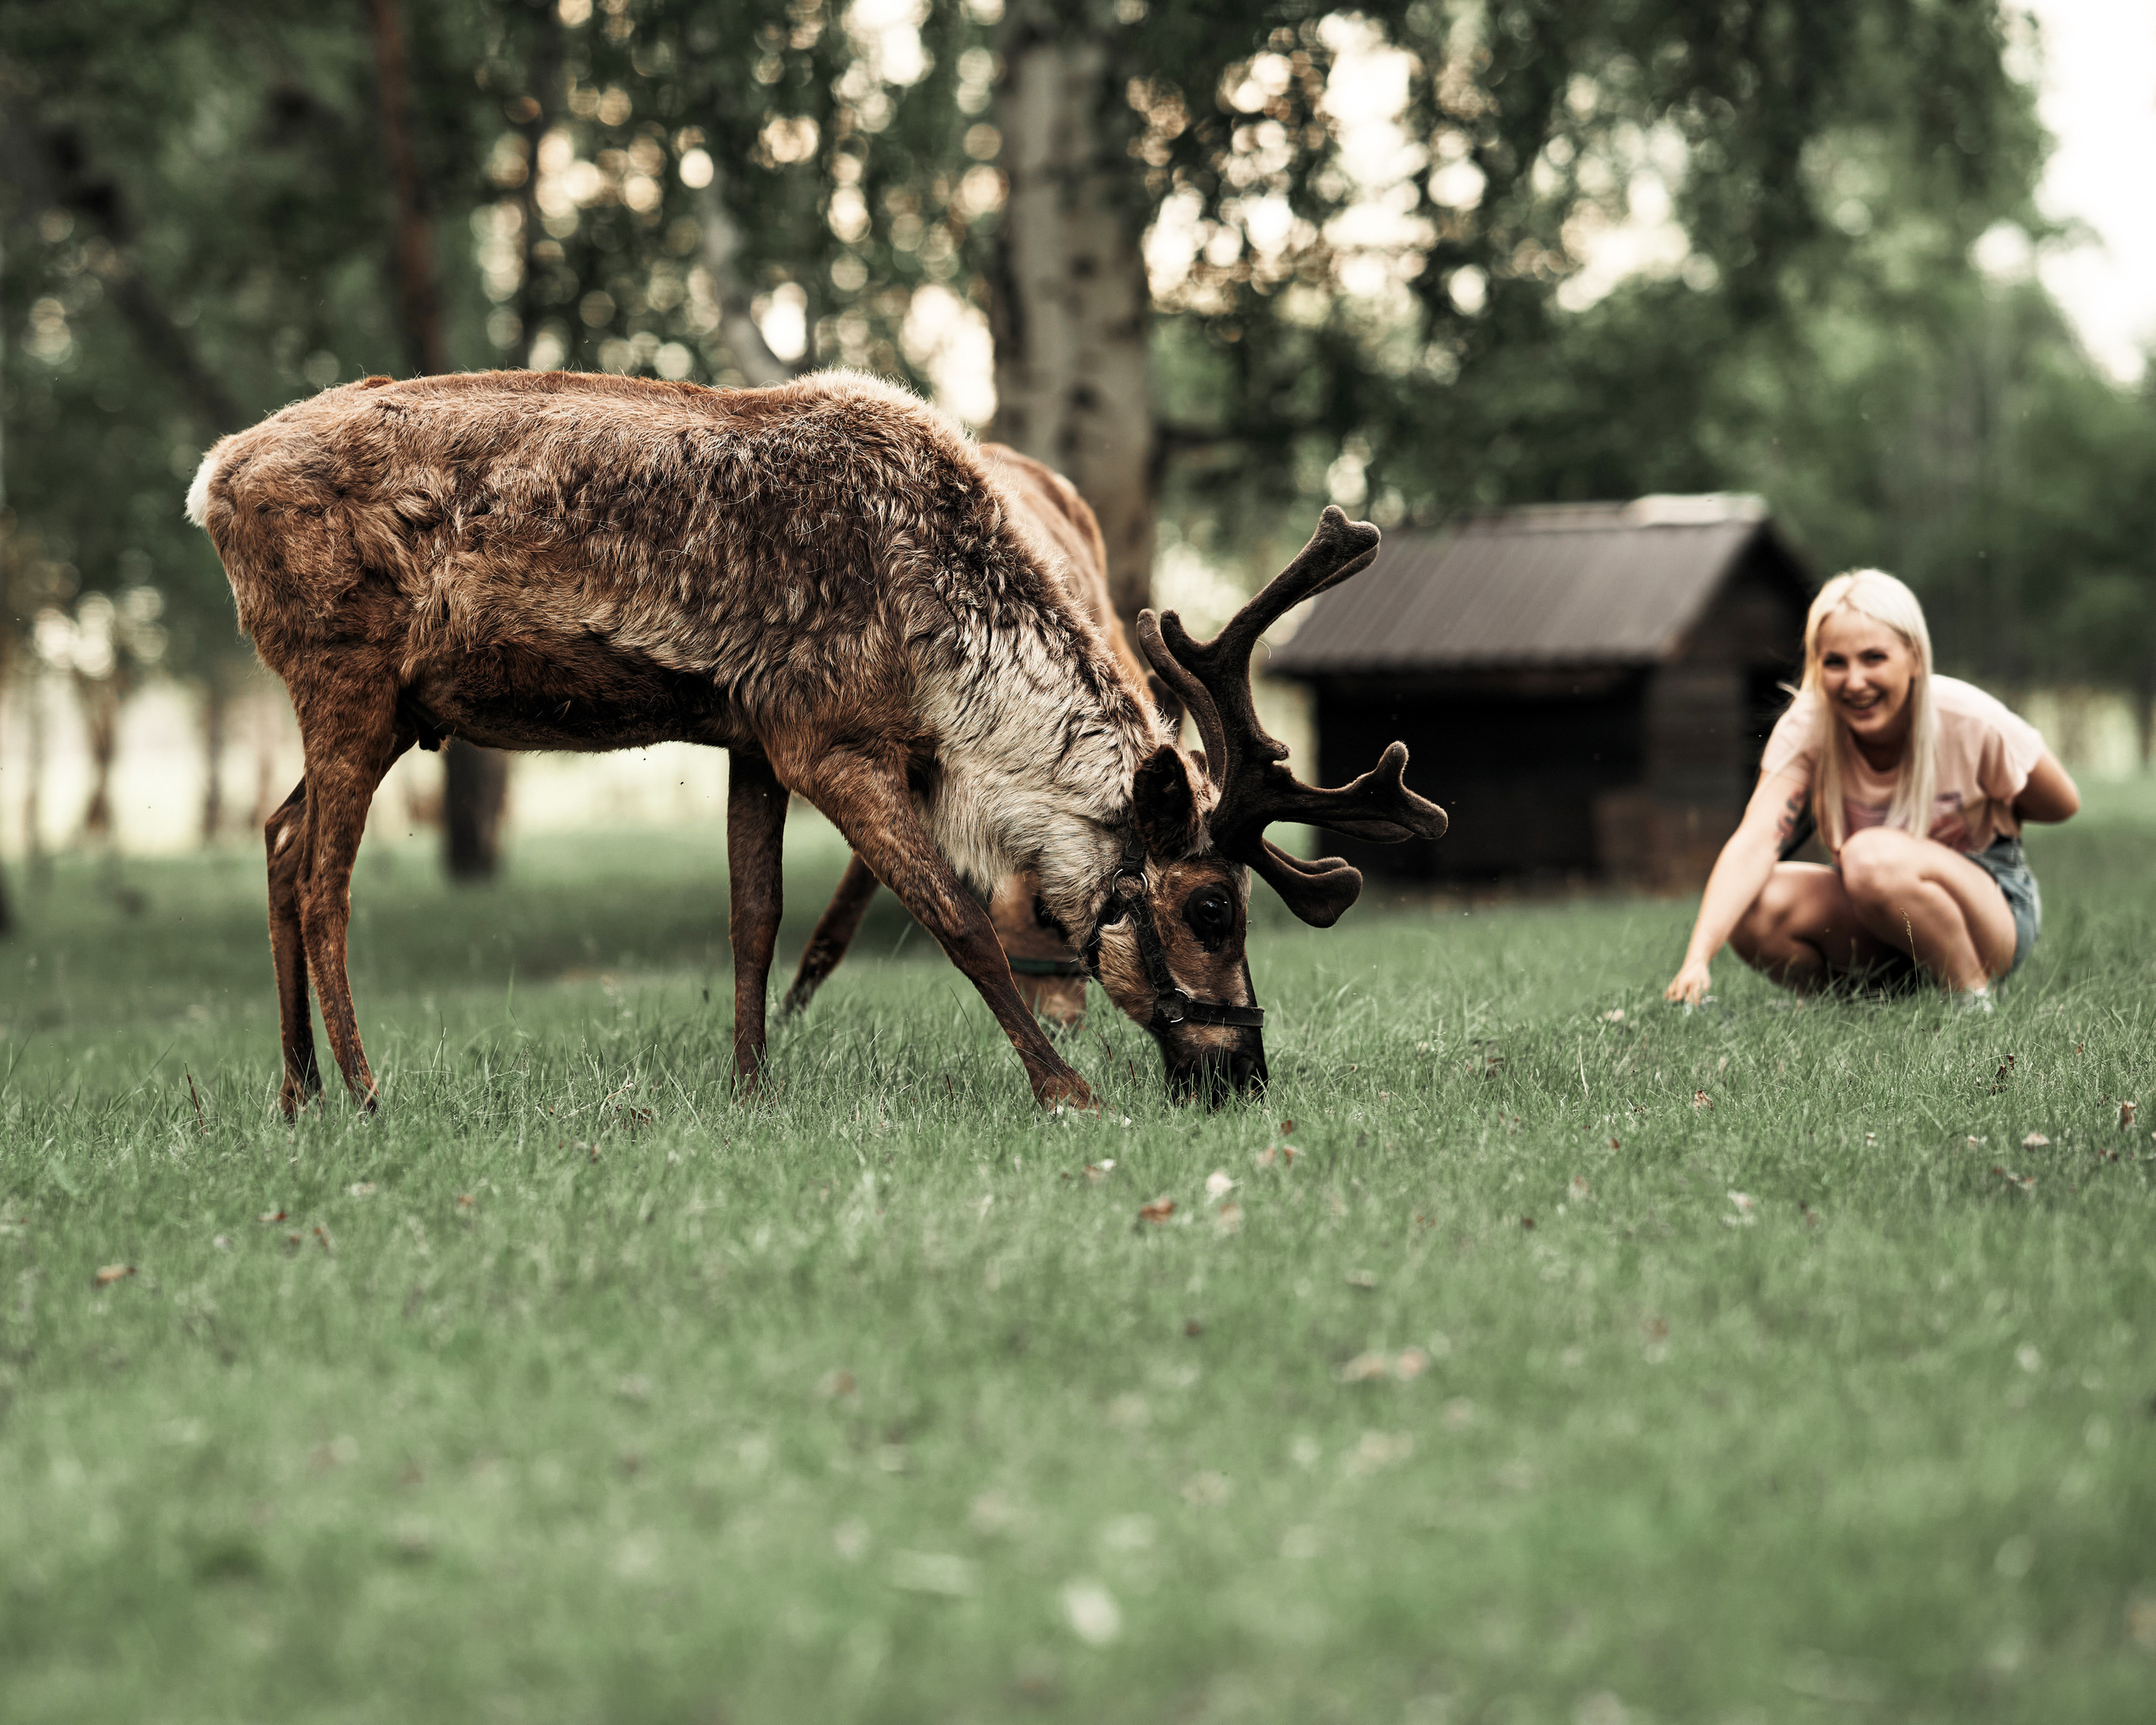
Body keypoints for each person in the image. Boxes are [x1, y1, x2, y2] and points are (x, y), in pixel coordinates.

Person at [1664, 569, 2079, 1008]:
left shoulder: (1967, 718)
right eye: (1835, 662)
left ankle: (1971, 997)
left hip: (1991, 913)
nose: (1855, 681)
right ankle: (1853, 1011)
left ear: (1914, 657)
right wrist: (1697, 958)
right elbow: (1754, 842)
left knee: (1871, 856)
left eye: (1874, 658)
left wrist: (1984, 816)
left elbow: (2060, 803)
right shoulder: (1808, 727)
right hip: (1875, 911)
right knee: (1754, 905)